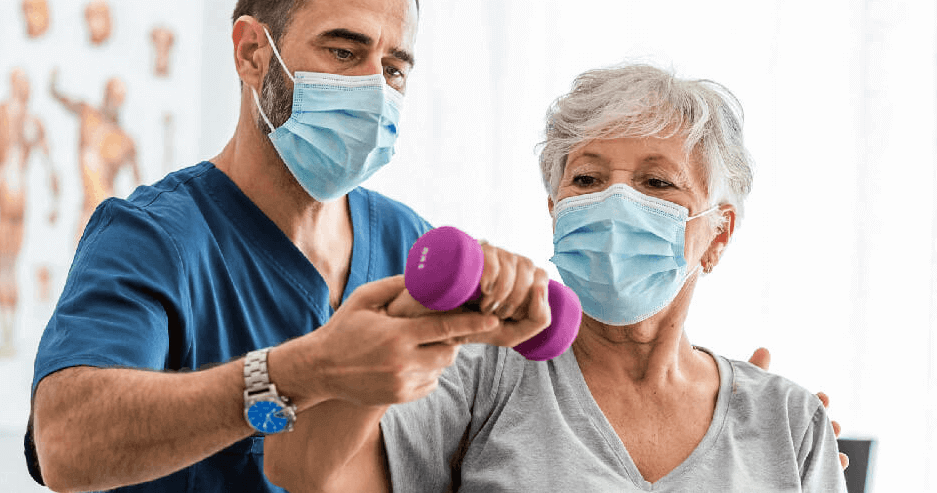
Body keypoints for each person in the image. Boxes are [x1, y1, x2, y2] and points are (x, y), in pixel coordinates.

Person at [25, 0, 549, 493]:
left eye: (395, 69)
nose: (374, 88)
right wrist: (298, 372)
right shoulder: (155, 238)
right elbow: (67, 445)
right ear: (252, 52)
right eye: (344, 51)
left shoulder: (409, 246)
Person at [262, 64, 849, 491]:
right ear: (554, 212)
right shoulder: (480, 376)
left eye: (657, 183)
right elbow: (303, 468)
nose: (616, 203)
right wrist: (408, 322)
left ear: (717, 234)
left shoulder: (790, 420)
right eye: (588, 180)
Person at [0, 67, 59, 358]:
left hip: (11, 195)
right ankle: (6, 335)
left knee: (6, 267)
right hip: (4, 191)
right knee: (3, 267)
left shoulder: (30, 122)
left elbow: (50, 164)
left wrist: (54, 201)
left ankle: (8, 336)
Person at [48, 69, 141, 245]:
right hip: (87, 210)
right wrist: (53, 83)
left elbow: (138, 183)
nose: (114, 102)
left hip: (107, 211)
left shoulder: (125, 141)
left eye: (118, 98)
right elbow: (61, 98)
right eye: (111, 95)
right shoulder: (88, 115)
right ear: (104, 94)